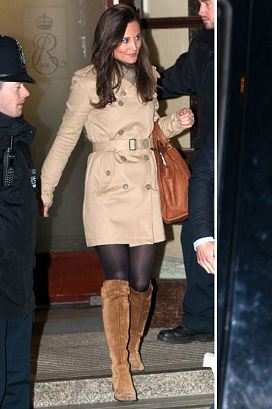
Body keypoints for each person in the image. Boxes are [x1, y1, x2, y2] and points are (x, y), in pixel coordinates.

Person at [39, 5, 194, 401]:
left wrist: (174, 124)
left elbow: (150, 130)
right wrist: (46, 186)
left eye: (137, 38)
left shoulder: (147, 77)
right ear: (108, 40)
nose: (132, 45)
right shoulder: (87, 81)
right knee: (118, 278)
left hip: (143, 180)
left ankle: (132, 345)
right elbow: (67, 136)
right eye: (124, 39)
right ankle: (119, 368)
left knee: (141, 280)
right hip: (107, 185)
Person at [156, 0, 216, 345]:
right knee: (197, 230)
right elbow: (169, 82)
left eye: (207, 3)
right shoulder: (204, 48)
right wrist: (128, 79)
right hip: (211, 157)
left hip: (254, 162)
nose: (200, 11)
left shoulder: (261, 44)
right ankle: (200, 320)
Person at [0, 35, 37, 409]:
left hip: (17, 284)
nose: (25, 93)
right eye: (17, 85)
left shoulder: (18, 137)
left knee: (16, 386)